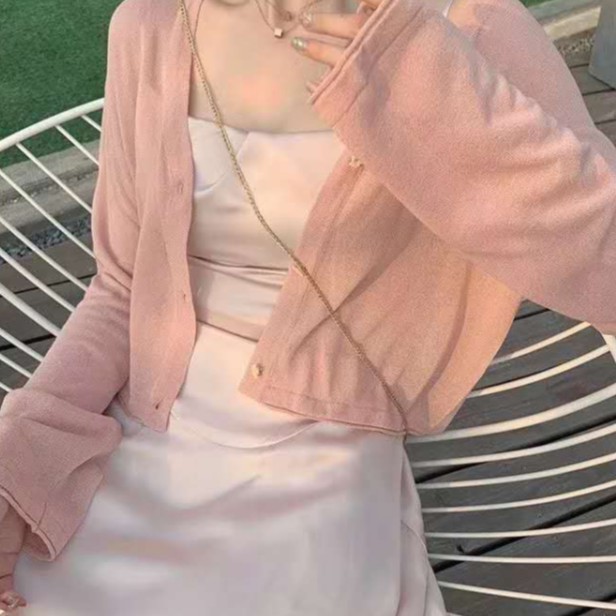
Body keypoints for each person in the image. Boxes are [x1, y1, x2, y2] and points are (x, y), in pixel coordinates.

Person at [2, 0, 616, 612]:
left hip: (330, 441)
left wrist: (426, 80)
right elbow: (123, 287)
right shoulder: (152, 23)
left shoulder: (472, 21)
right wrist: (25, 455)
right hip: (146, 425)